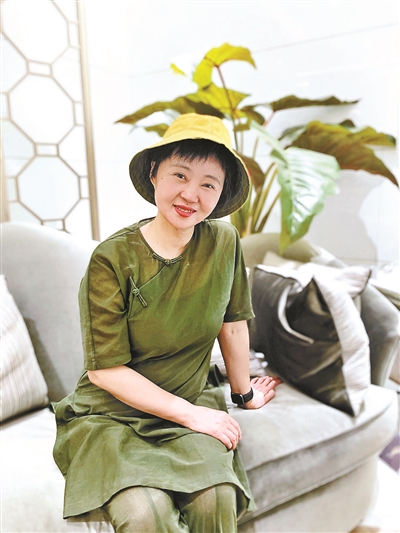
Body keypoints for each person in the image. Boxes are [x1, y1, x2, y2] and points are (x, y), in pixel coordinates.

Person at [53, 113, 281, 533]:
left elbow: (232, 323)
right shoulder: (112, 259)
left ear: (221, 193)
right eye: (180, 175)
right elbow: (104, 370)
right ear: (154, 173)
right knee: (145, 514)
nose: (190, 194)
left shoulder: (224, 242)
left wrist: (244, 392)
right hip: (112, 415)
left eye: (208, 184)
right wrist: (193, 416)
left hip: (189, 399)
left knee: (216, 499)